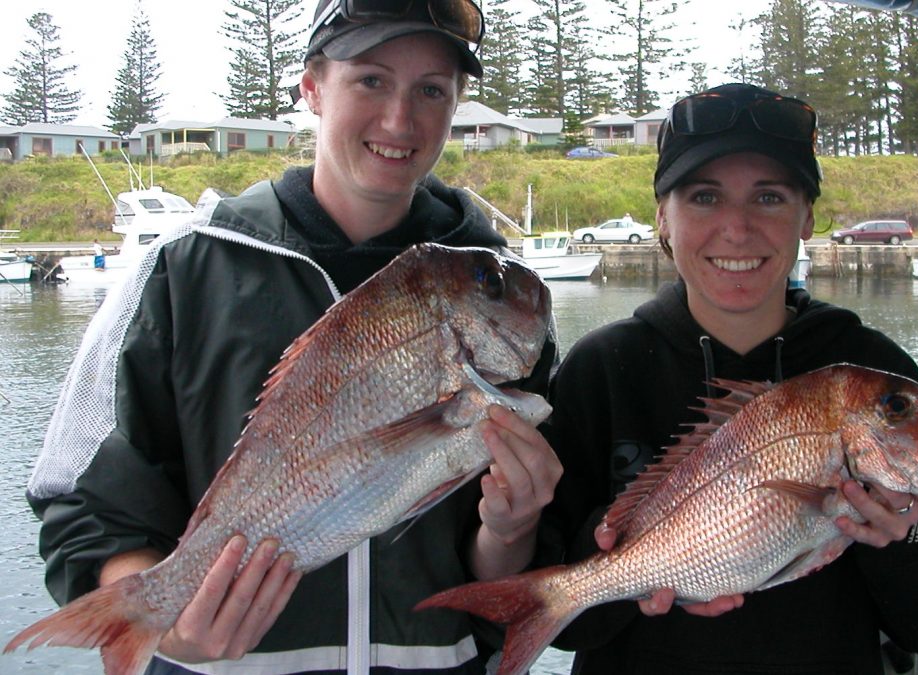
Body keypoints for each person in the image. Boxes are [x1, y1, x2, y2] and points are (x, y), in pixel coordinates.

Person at [26, 1, 558, 673]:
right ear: (311, 86)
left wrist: (511, 528)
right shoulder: (185, 266)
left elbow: (503, 570)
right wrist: (164, 623)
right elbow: (79, 494)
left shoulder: (499, 300)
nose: (400, 119)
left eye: (432, 89)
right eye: (370, 80)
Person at [535, 83, 918, 673]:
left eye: (769, 197)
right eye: (704, 197)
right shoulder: (601, 370)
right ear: (663, 220)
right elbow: (565, 626)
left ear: (807, 218)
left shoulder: (875, 379)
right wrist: (632, 568)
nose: (737, 228)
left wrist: (908, 536)